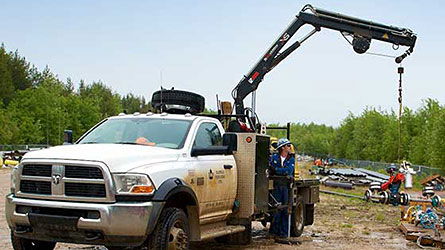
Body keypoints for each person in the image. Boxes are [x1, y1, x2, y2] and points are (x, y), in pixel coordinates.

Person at [269, 138, 295, 238]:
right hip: (276, 186)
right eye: (288, 145)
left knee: (285, 209)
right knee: (276, 209)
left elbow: (288, 171)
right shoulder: (274, 158)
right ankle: (274, 232)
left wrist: (276, 170)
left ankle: (284, 233)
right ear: (283, 147)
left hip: (286, 187)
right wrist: (278, 170)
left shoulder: (290, 159)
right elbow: (271, 169)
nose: (289, 147)